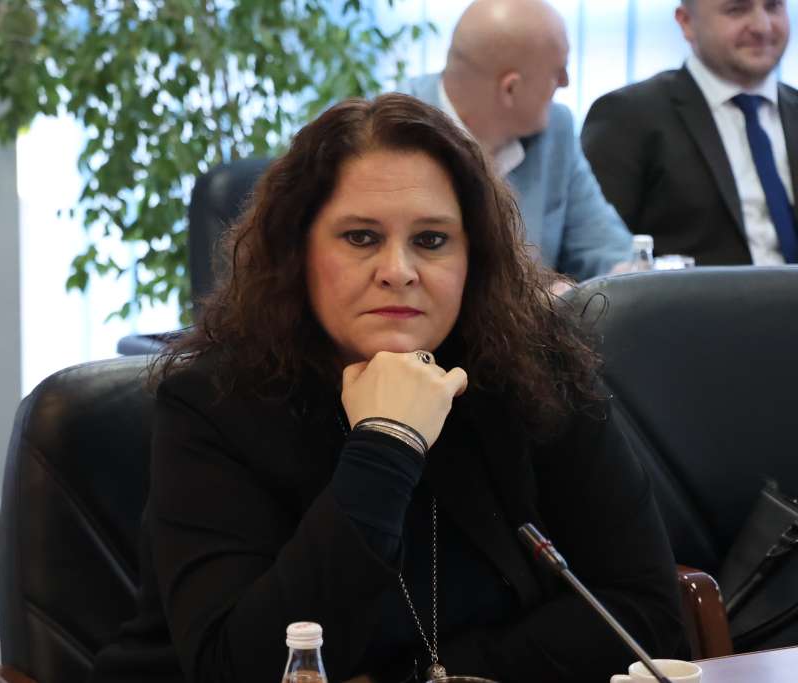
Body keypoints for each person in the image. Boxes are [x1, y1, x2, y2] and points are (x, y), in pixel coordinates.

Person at [89, 94, 683, 683]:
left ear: (474, 257)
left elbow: (648, 618)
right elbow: (242, 669)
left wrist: (417, 679)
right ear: (299, 252)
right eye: (360, 237)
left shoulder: (538, 371)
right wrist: (385, 445)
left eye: (431, 240)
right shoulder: (214, 402)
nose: (398, 271)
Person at [402, 0, 632, 283]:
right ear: (510, 89)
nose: (566, 82)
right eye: (557, 72)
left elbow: (608, 249)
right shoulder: (394, 135)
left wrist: (625, 274)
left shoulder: (556, 129)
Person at [582, 0, 798, 265]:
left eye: (773, 7)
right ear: (686, 22)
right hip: (691, 292)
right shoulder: (628, 116)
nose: (762, 27)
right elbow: (595, 252)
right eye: (737, 10)